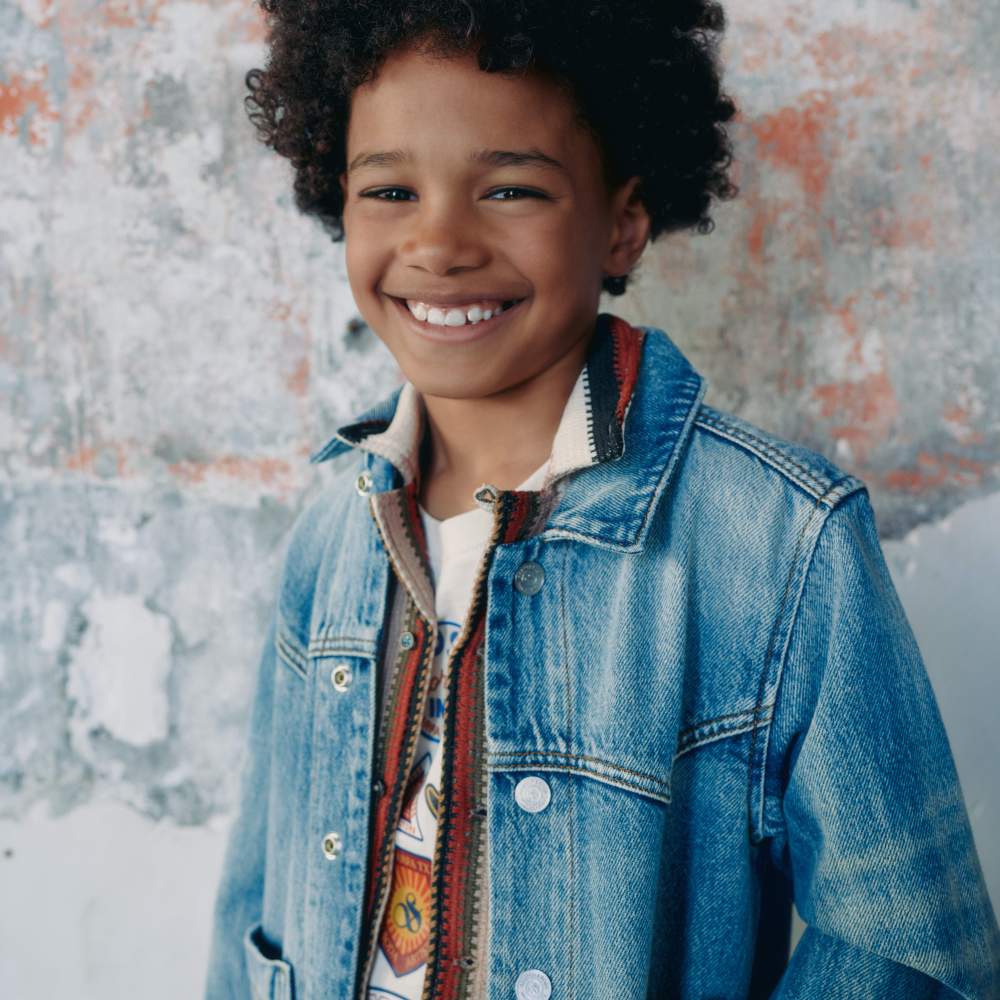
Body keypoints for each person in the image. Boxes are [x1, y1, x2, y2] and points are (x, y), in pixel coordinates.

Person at [205, 2, 1000, 998]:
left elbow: (906, 945)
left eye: (509, 189)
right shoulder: (330, 533)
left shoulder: (780, 543)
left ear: (621, 224)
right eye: (391, 190)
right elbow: (257, 901)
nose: (438, 242)